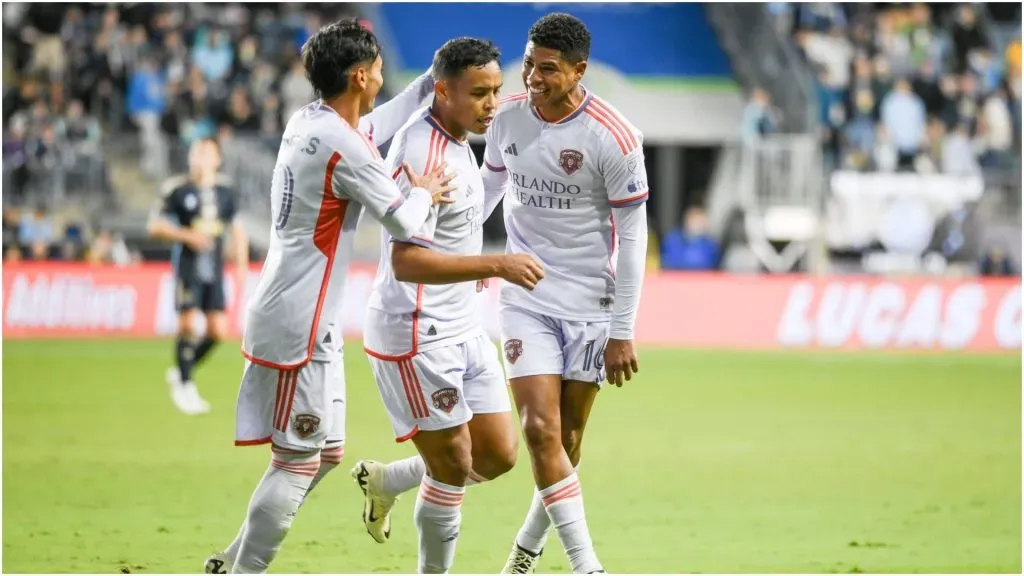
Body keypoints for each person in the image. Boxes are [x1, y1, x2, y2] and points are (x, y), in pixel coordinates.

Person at [202, 19, 454, 574]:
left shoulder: (312, 120)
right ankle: (244, 571)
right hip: (300, 320)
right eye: (381, 71)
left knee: (326, 455)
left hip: (298, 309)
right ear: (361, 75)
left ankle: (229, 560)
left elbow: (372, 127)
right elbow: (407, 223)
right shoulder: (346, 146)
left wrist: (425, 83)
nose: (385, 78)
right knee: (296, 461)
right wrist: (426, 191)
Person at [350, 37, 544, 573]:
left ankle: (389, 481)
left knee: (500, 454)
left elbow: (455, 229)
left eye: (496, 91)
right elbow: (407, 262)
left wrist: (473, 265)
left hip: (461, 324)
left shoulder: (461, 139)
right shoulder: (420, 151)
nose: (491, 104)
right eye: (479, 93)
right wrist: (495, 265)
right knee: (454, 465)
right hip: (415, 333)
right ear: (441, 90)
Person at [482, 13, 650, 574]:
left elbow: (632, 238)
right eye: (529, 63)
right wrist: (462, 256)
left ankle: (525, 551)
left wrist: (623, 328)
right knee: (538, 429)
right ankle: (587, 566)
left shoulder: (613, 136)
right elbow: (490, 185)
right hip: (526, 297)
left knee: (568, 440)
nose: (532, 77)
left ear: (579, 70)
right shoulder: (507, 117)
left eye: (548, 69)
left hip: (590, 306)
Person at [148, 138, 248, 415]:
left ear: (217, 158)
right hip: (188, 265)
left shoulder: (225, 191)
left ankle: (183, 369)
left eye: (207, 153)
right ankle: (185, 383)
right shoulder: (177, 189)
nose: (201, 158)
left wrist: (240, 265)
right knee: (188, 324)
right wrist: (186, 235)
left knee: (218, 331)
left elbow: (237, 229)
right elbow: (154, 225)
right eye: (197, 152)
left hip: (214, 268)